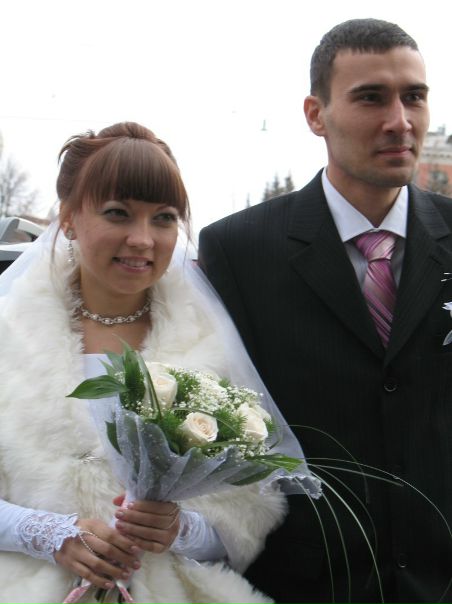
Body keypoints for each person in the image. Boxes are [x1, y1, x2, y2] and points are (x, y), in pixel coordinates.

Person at [0, 121, 316, 604]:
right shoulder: (10, 332)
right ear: (68, 218)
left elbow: (249, 513)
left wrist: (179, 529)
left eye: (164, 218)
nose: (143, 239)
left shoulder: (208, 345)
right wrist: (47, 533)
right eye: (118, 213)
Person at [198, 18, 452, 604]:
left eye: (414, 97)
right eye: (371, 98)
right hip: (304, 585)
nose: (400, 120)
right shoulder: (238, 250)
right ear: (316, 114)